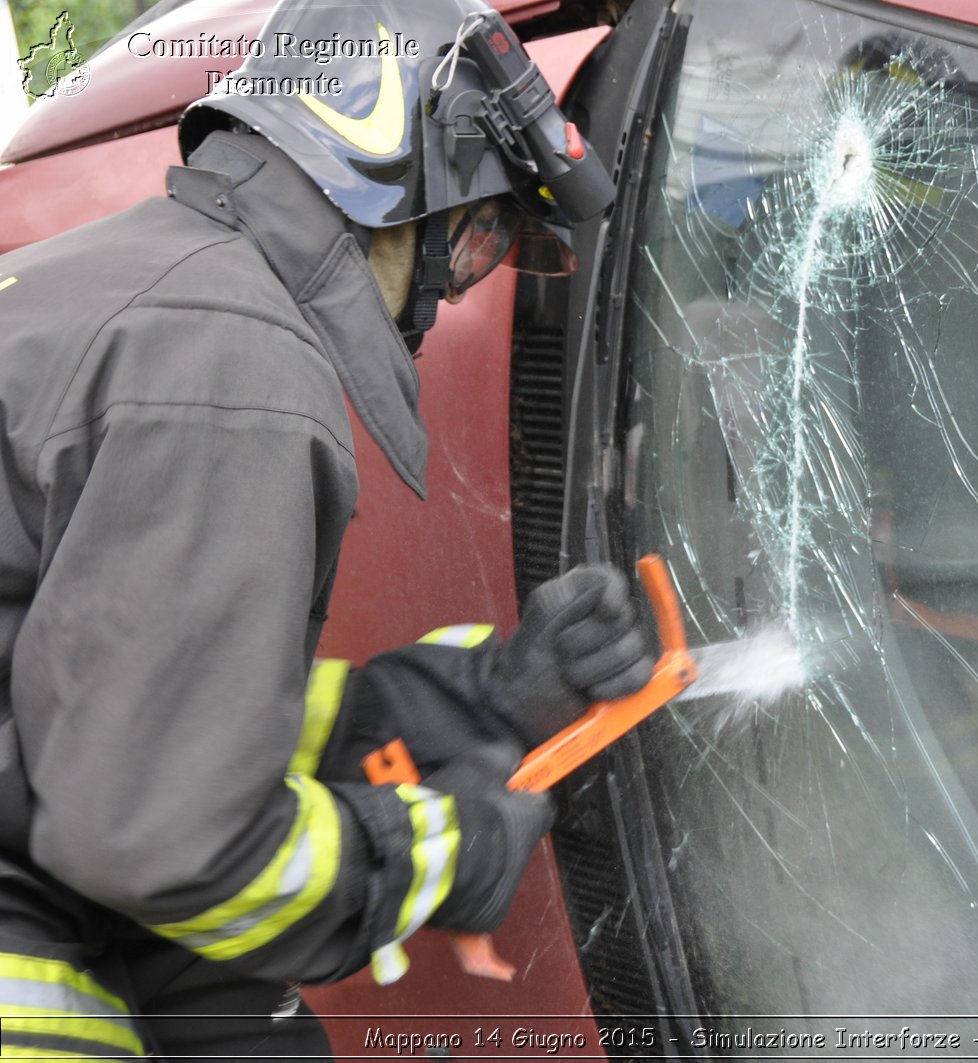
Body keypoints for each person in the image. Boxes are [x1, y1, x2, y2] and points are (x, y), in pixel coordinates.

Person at [0, 0, 648, 1057]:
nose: (458, 282)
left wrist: (464, 698)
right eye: (482, 233)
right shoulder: (232, 370)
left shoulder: (122, 285)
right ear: (403, 175)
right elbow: (166, 833)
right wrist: (441, 849)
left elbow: (117, 698)